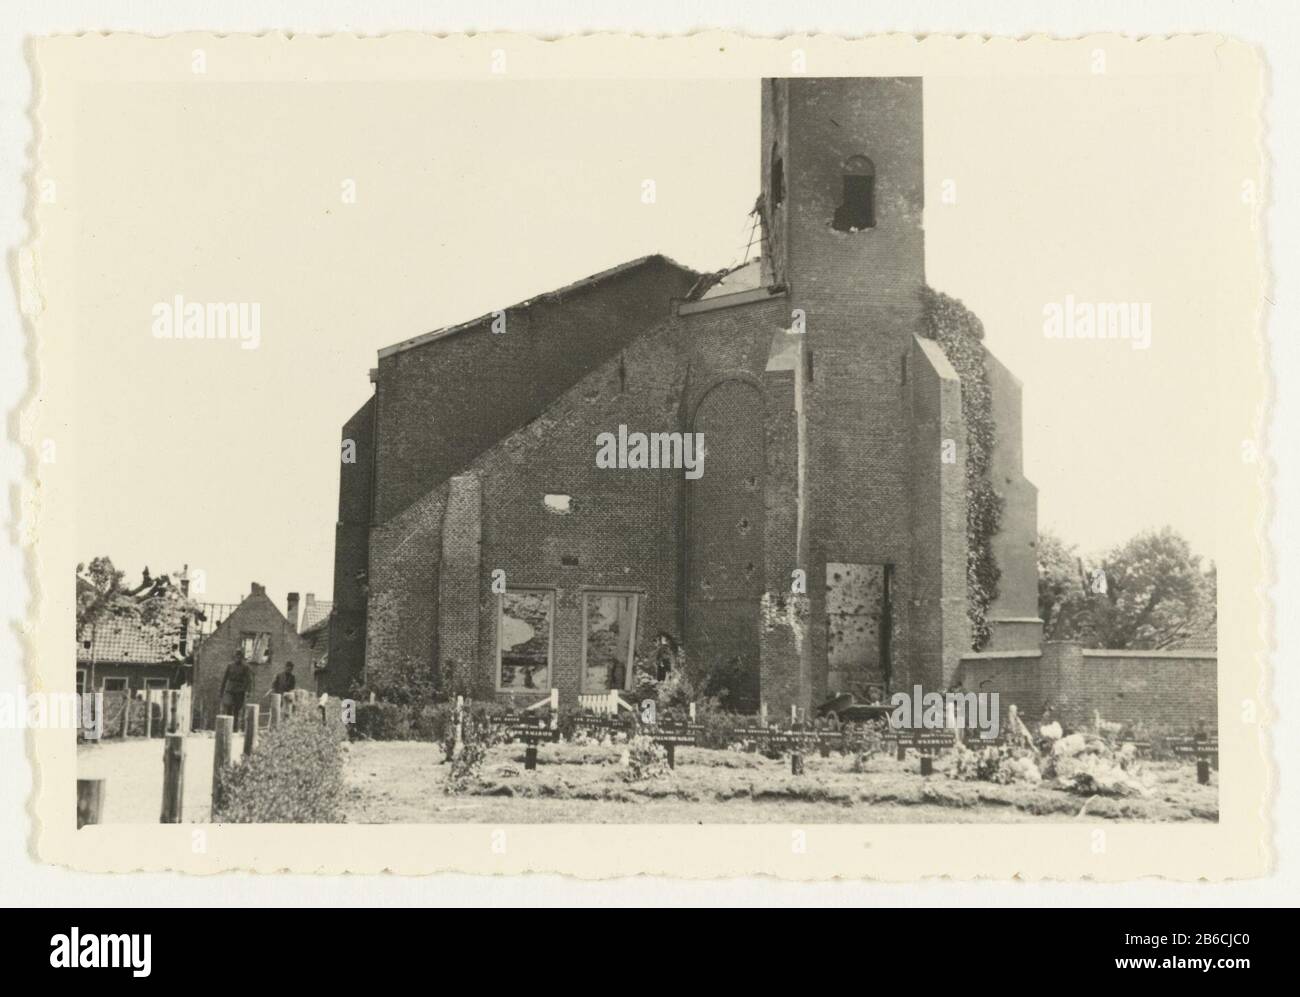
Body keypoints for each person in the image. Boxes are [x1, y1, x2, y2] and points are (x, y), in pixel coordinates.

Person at [218, 649, 253, 732]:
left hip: (240, 690)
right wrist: (221, 691)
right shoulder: (230, 666)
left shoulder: (245, 667)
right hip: (230, 689)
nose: (238, 658)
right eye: (237, 656)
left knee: (237, 710)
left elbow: (249, 680)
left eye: (240, 656)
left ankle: (235, 728)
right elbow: (225, 678)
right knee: (229, 707)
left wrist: (248, 691)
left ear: (242, 658)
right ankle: (228, 728)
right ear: (235, 657)